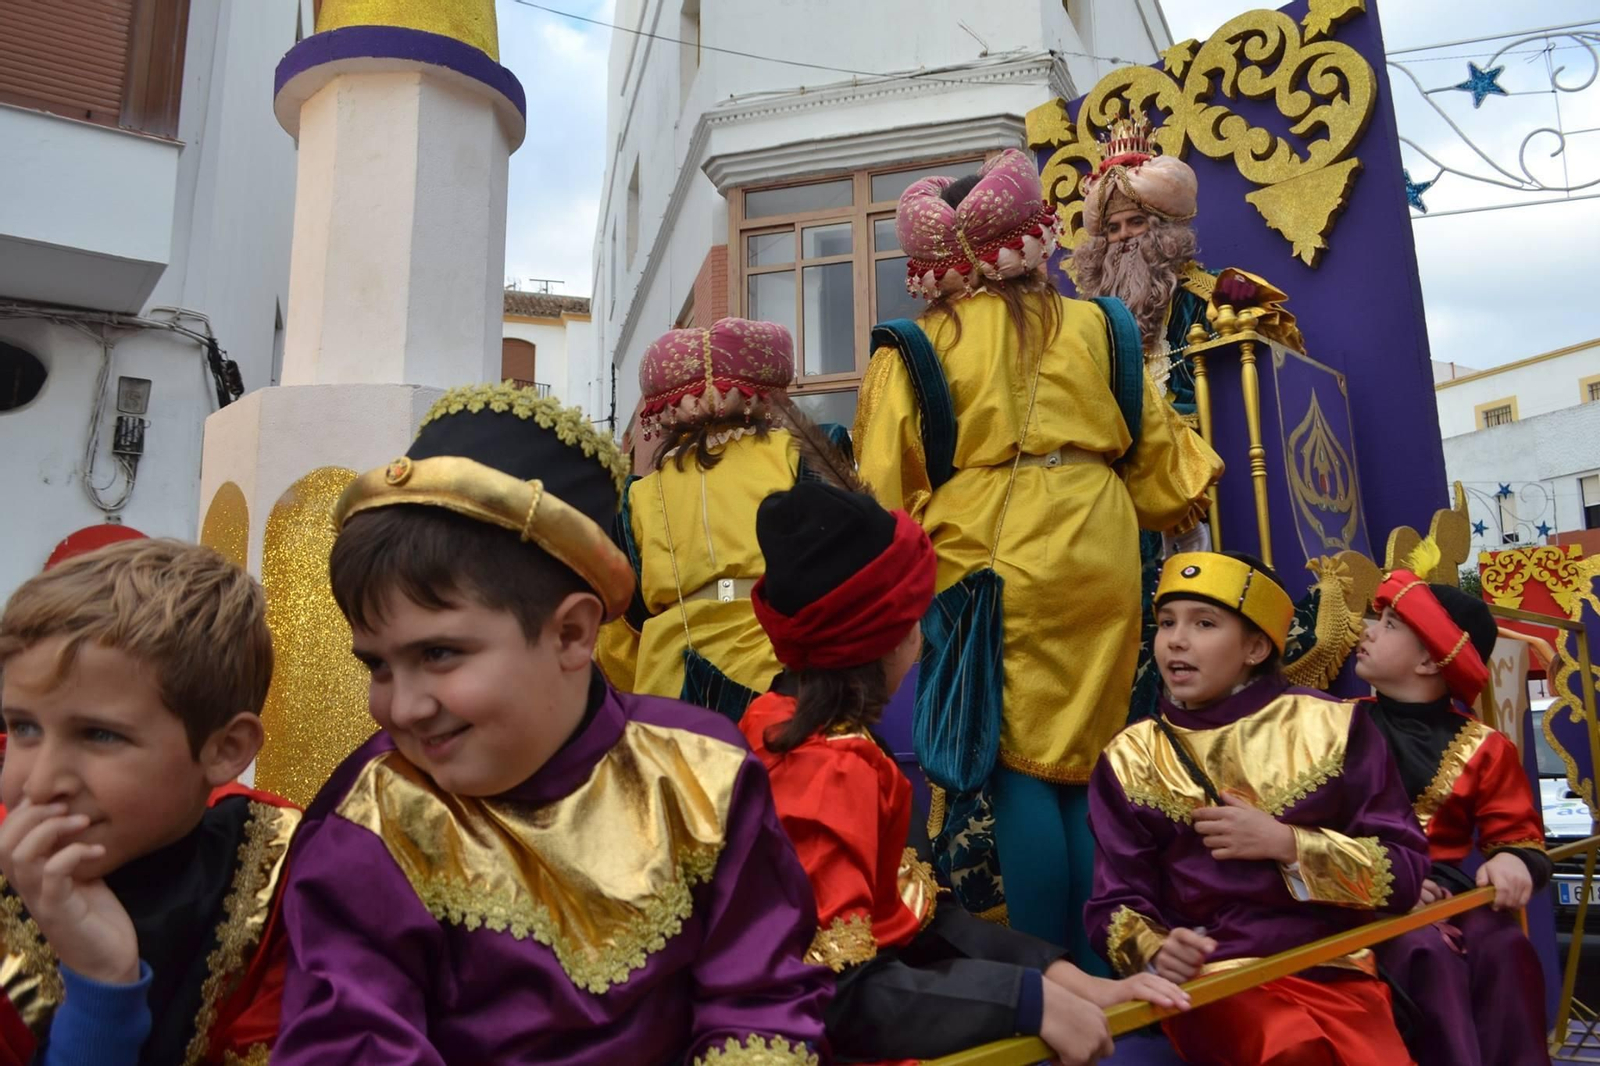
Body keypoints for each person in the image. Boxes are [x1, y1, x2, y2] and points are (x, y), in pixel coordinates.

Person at [272, 382, 829, 1065]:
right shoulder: (375, 819)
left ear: (571, 634)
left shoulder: (700, 775)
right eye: (379, 667)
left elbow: (757, 1001)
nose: (404, 706)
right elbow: (351, 1043)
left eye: (439, 654)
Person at [854, 147, 1223, 958]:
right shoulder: (1102, 325)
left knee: (1016, 767)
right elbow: (1166, 478)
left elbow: (882, 496)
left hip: (983, 563)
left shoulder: (912, 349)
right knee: (1093, 767)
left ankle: (1052, 976)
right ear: (1036, 239)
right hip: (1099, 552)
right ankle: (1112, 960)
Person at [741, 478, 1190, 1064]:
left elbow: (919, 917)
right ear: (884, 635)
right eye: (915, 623)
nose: (923, 643)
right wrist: (1025, 1003)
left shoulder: (781, 719)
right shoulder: (824, 771)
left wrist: (1074, 984)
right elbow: (838, 994)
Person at [1086, 550, 1429, 1065]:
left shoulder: (1334, 728)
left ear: (1254, 646)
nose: (1176, 640)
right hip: (1215, 980)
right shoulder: (1130, 758)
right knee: (1288, 1044)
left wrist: (1288, 845)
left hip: (1335, 966)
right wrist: (1154, 948)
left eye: (1204, 623)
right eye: (1166, 623)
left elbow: (1404, 872)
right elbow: (1114, 902)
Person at [0, 538, 299, 1066]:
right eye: (23, 727)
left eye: (99, 735)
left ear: (225, 750)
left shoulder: (288, 880)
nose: (41, 783)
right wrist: (100, 990)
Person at [1070, 112, 1303, 727]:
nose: (1123, 238)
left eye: (1136, 222)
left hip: (1201, 489)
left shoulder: (1218, 295)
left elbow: (1280, 357)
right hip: (1113, 496)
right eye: (1113, 227)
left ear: (1166, 228)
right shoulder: (1083, 326)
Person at [1358, 557, 1552, 1066]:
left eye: (1389, 624)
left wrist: (1514, 860)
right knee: (1427, 953)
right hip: (1354, 894)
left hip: (1449, 896)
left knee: (1506, 949)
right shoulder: (1331, 727)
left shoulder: (1486, 747)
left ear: (1430, 661)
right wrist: (1379, 876)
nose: (1368, 631)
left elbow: (1518, 832)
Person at [596, 318, 797, 717]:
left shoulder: (637, 495)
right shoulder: (796, 455)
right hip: (780, 668)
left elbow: (620, 628)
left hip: (670, 677)